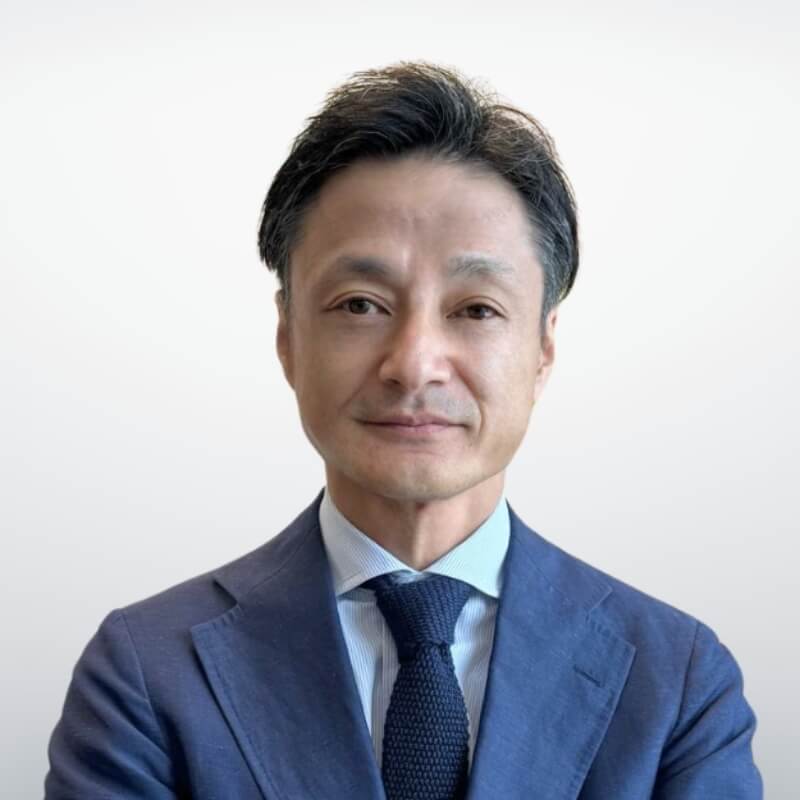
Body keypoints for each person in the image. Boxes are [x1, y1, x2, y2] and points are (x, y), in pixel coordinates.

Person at [44, 62, 762, 799]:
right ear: (288, 337)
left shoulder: (677, 683)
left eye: (476, 309)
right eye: (360, 304)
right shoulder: (146, 672)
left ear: (543, 349)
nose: (414, 364)